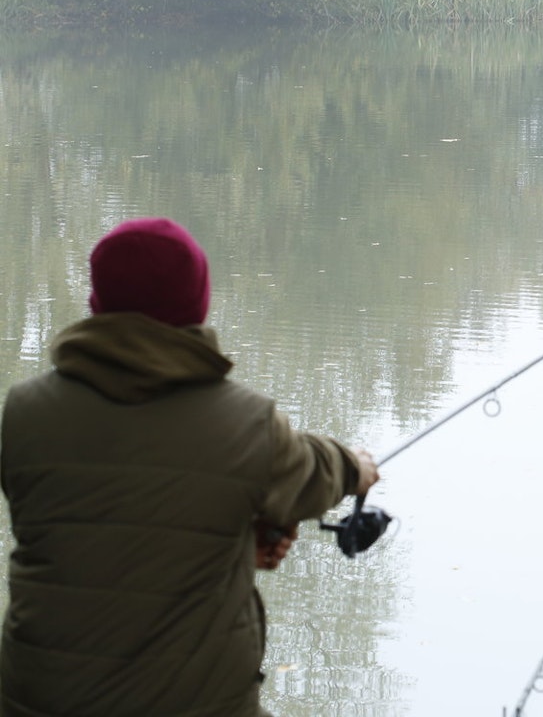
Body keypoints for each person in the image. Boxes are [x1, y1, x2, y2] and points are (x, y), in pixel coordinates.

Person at [0, 217, 380, 717]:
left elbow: (92, 530)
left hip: (34, 700)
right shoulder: (248, 425)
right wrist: (358, 467)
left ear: (98, 302)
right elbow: (316, 475)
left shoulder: (24, 413)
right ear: (197, 304)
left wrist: (233, 545)